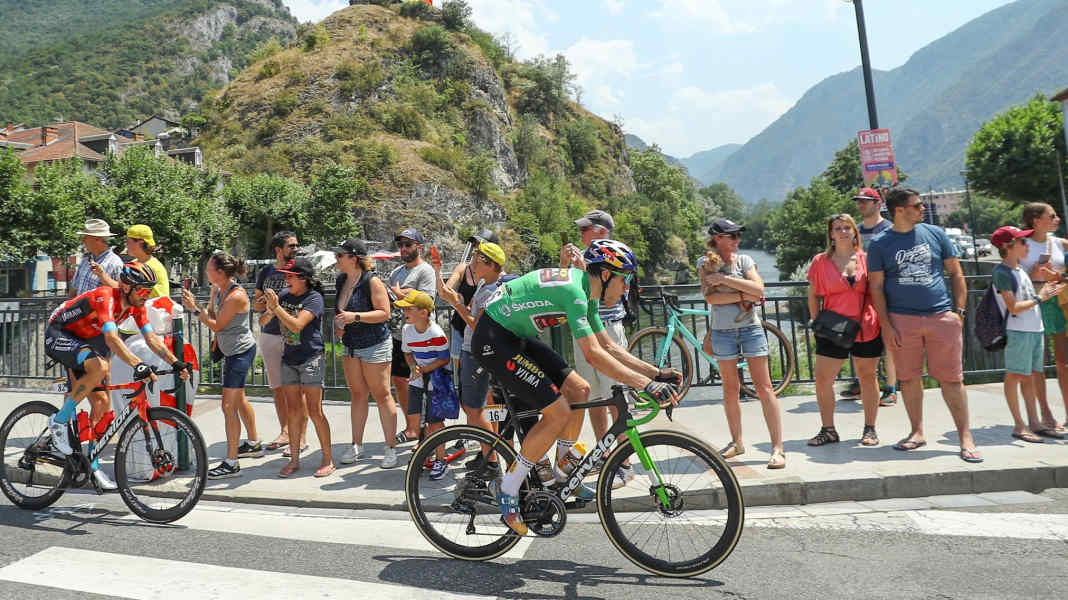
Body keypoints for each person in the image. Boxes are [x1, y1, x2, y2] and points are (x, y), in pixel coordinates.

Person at [471, 239, 680, 535]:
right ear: (605, 275)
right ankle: (509, 488)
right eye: (625, 279)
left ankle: (562, 468)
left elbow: (609, 346)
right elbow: (593, 355)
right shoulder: (575, 292)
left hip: (516, 335)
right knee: (558, 412)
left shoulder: (588, 291)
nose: (626, 288)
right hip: (494, 340)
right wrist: (647, 385)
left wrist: (656, 374)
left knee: (580, 390)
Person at [44, 261, 191, 490]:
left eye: (149, 290)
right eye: (142, 290)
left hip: (87, 340)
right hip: (60, 332)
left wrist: (176, 362)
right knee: (100, 367)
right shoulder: (106, 297)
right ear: (126, 287)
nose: (146, 295)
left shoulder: (137, 307)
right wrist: (138, 364)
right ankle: (59, 421)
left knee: (102, 403)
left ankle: (91, 465)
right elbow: (112, 339)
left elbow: (151, 338)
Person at [868, 187, 983, 463]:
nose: (923, 209)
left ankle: (965, 437)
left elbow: (956, 273)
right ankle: (917, 432)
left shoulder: (936, 234)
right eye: (917, 205)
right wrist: (886, 325)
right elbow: (876, 287)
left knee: (952, 379)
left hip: (941, 317)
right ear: (899, 210)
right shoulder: (880, 244)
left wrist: (959, 312)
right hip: (902, 320)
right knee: (908, 379)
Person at [701, 219, 785, 469]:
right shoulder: (704, 263)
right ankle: (737, 442)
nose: (738, 239)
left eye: (738, 235)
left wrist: (723, 281)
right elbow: (711, 298)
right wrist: (742, 293)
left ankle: (777, 448)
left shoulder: (745, 261)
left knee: (764, 388)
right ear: (718, 238)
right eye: (732, 235)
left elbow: (758, 290)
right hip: (722, 332)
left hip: (750, 329)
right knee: (730, 389)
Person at [559, 209, 633, 486]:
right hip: (583, 332)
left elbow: (610, 299)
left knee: (617, 398)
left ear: (601, 231)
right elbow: (567, 291)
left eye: (585, 229)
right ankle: (604, 454)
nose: (580, 234)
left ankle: (625, 462)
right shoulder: (581, 255)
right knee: (594, 398)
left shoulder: (618, 257)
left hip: (608, 331)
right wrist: (564, 265)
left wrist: (581, 269)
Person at [433, 241, 512, 478]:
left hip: (476, 352)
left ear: (490, 265)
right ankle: (488, 456)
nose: (473, 265)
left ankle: (492, 460)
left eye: (477, 261)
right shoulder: (485, 285)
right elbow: (454, 300)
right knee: (476, 407)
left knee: (474, 409)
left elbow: (477, 325)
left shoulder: (492, 290)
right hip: (473, 350)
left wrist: (457, 304)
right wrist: (438, 273)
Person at [182, 253, 260, 479]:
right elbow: (213, 315)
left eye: (209, 268)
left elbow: (217, 326)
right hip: (231, 351)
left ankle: (231, 463)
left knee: (228, 406)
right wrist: (207, 300)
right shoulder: (221, 289)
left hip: (240, 353)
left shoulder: (236, 295)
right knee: (239, 399)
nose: (206, 272)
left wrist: (194, 309)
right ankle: (253, 443)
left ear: (219, 272)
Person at [806, 214, 882, 447]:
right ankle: (828, 430)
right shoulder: (820, 261)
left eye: (847, 227)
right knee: (823, 379)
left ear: (854, 232)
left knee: (868, 377)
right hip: (833, 328)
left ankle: (870, 429)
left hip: (866, 326)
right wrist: (816, 322)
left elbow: (878, 291)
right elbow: (813, 294)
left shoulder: (867, 259)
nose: (842, 232)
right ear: (831, 234)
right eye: (837, 228)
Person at [990, 226, 1065, 444]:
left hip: (1033, 329)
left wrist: (1048, 290)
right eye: (1022, 241)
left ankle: (1034, 423)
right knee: (1014, 376)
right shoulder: (1002, 272)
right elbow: (1013, 307)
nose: (1027, 245)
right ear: (1007, 246)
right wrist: (1041, 297)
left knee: (1030, 375)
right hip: (1018, 331)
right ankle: (1019, 425)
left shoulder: (1020, 270)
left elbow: (1029, 298)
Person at [332, 238, 401, 469]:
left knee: (382, 395)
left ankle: (390, 448)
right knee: (357, 394)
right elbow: (340, 311)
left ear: (353, 258)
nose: (337, 259)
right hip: (350, 344)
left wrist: (356, 317)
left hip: (375, 344)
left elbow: (384, 313)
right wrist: (340, 325)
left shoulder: (372, 281)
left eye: (340, 255)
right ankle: (356, 445)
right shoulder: (341, 280)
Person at [262, 257, 334, 478]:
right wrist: (269, 309)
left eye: (290, 276)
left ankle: (328, 459)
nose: (286, 280)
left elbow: (296, 325)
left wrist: (277, 308)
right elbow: (263, 322)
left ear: (303, 278)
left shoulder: (314, 298)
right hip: (289, 358)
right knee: (293, 411)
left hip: (311, 357)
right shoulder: (284, 296)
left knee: (315, 411)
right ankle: (294, 460)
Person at [254, 231, 306, 454]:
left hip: (293, 334)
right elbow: (256, 305)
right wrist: (265, 303)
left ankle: (301, 437)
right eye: (291, 246)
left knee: (298, 388)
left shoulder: (301, 269)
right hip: (270, 333)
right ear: (278, 250)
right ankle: (285, 432)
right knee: (278, 387)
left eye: (296, 245)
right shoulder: (265, 272)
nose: (296, 249)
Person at [1020, 203, 1068, 436]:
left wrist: (1058, 276)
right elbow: (1012, 276)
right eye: (1052, 216)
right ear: (1036, 220)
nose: (1057, 219)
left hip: (1059, 303)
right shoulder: (1021, 244)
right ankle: (1045, 414)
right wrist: (1034, 274)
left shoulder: (1060, 243)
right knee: (1036, 364)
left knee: (1064, 362)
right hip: (1033, 302)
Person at [387, 228, 437, 445]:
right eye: (401, 245)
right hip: (399, 336)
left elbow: (427, 301)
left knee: (423, 386)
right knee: (400, 381)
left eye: (408, 244)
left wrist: (403, 294)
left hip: (421, 338)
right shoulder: (396, 272)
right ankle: (412, 428)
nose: (403, 248)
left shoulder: (426, 271)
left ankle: (428, 432)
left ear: (419, 247)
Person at [851, 187, 898, 407]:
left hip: (886, 290)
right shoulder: (856, 231)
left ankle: (891, 387)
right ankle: (865, 383)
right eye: (859, 201)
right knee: (861, 337)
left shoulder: (889, 229)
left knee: (889, 339)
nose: (860, 205)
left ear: (878, 204)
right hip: (863, 293)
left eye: (865, 201)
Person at [397, 290, 451, 479]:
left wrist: (425, 369)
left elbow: (444, 359)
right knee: (416, 420)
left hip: (436, 380)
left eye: (409, 309)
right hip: (418, 378)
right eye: (404, 309)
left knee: (435, 422)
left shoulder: (436, 333)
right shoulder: (407, 330)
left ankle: (441, 460)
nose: (405, 312)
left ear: (423, 312)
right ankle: (424, 453)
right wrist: (414, 367)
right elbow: (407, 353)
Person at [443, 229, 499, 374]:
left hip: (479, 331)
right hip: (460, 326)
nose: (475, 249)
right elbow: (445, 292)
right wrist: (437, 272)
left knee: (479, 374)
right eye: (474, 244)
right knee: (460, 374)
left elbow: (478, 322)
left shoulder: (496, 281)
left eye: (479, 245)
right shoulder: (464, 269)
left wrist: (457, 303)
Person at [69, 219, 124, 297]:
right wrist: (68, 304)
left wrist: (102, 275)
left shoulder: (115, 263)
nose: (83, 240)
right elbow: (74, 287)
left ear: (97, 239)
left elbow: (122, 290)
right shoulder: (85, 260)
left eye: (85, 237)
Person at [125, 225, 169, 298]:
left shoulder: (154, 268)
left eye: (128, 241)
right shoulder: (133, 263)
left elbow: (162, 300)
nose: (126, 245)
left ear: (140, 243)